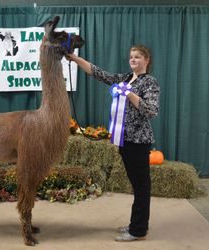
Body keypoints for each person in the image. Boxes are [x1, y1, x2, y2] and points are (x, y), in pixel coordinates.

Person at [66, 45, 160, 242]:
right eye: (131, 57)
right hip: (124, 140)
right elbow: (99, 74)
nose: (133, 60)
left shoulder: (150, 82)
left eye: (138, 57)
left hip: (139, 141)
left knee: (142, 185)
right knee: (137, 184)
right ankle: (138, 224)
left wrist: (129, 94)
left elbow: (151, 111)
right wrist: (74, 58)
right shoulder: (125, 78)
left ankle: (138, 230)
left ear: (147, 60)